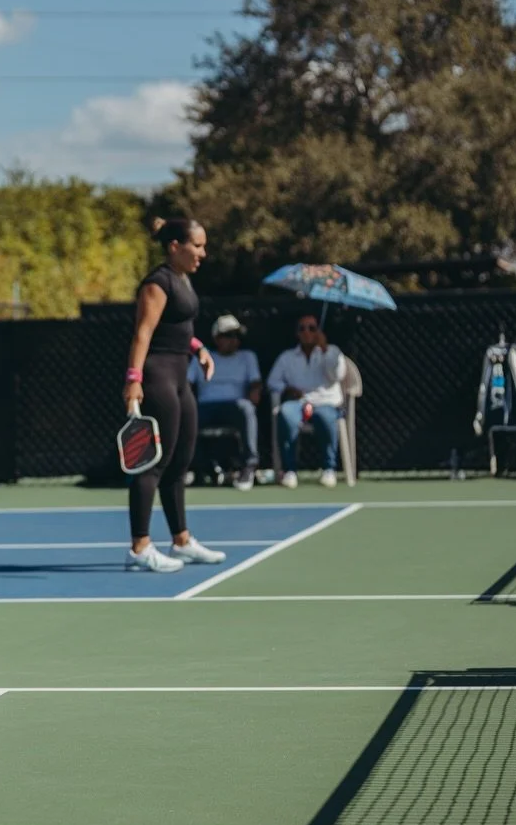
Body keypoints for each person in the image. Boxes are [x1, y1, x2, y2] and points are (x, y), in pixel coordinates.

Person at [121, 218, 227, 572]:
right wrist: (133, 380)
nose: (202, 253)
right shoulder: (157, 283)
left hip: (181, 374)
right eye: (196, 246)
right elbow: (143, 333)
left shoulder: (182, 280)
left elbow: (177, 327)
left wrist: (199, 348)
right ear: (174, 247)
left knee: (180, 462)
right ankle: (139, 548)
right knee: (152, 463)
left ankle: (181, 541)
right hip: (157, 377)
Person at [267, 313, 348, 489]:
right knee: (285, 415)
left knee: (326, 419)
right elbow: (273, 382)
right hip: (298, 403)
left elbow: (338, 375)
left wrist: (324, 348)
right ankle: (289, 471)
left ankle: (329, 469)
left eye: (312, 328)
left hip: (326, 403)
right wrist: (289, 389)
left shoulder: (333, 352)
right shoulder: (287, 357)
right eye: (302, 328)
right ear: (297, 333)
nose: (307, 332)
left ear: (318, 331)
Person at [188, 313, 262, 490]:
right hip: (206, 406)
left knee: (247, 409)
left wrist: (255, 392)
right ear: (217, 338)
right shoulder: (203, 357)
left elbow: (256, 383)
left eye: (237, 336)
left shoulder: (247, 357)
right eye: (229, 335)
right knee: (187, 415)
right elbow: (187, 383)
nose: (234, 340)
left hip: (235, 405)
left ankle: (249, 466)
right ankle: (198, 468)